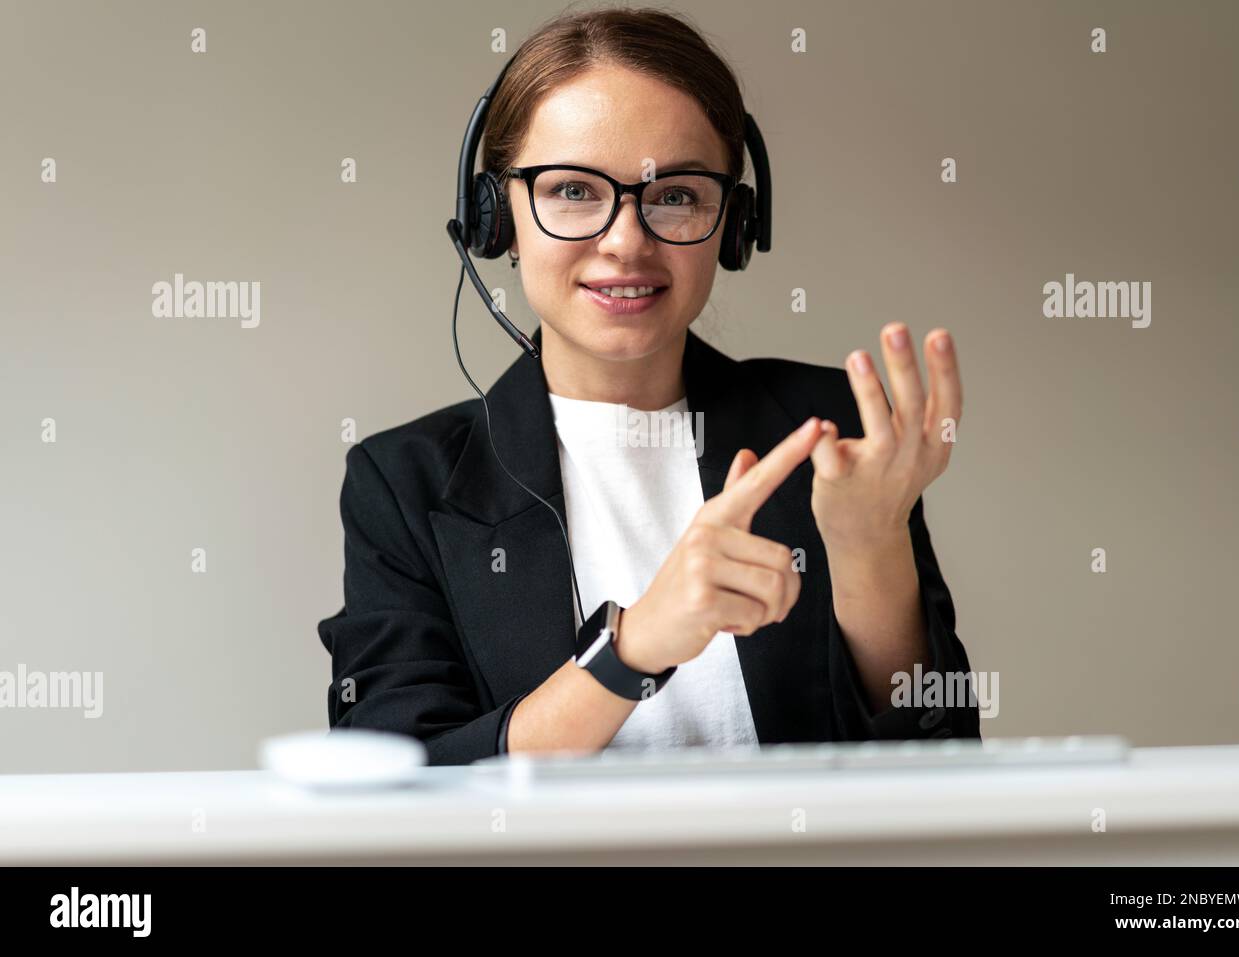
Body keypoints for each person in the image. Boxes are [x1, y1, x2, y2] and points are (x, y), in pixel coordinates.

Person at [317, 7, 979, 766]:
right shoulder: (404, 483)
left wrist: (871, 553)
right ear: (496, 218)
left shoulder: (827, 432)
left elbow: (943, 760)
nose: (626, 241)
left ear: (734, 223)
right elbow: (396, 783)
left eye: (675, 195)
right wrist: (632, 646)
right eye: (571, 190)